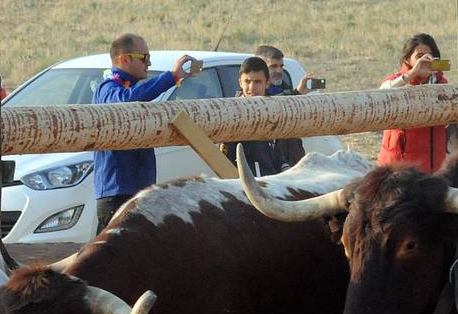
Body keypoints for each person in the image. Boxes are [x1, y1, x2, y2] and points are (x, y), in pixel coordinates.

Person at [92, 34, 198, 230]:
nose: (148, 63)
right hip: (118, 193)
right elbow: (126, 102)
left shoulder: (126, 88)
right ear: (125, 59)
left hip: (136, 190)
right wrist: (172, 76)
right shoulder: (109, 88)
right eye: (144, 58)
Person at [376, 34, 458, 173]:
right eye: (419, 56)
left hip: (434, 167)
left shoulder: (442, 84)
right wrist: (412, 74)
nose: (425, 60)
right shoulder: (396, 81)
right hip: (398, 169)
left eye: (430, 56)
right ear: (407, 60)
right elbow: (380, 97)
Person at [220, 58, 304, 177]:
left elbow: (276, 148)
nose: (252, 87)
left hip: (276, 183)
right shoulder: (232, 114)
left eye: (258, 82)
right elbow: (225, 159)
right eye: (247, 81)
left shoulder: (274, 109)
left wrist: (285, 166)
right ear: (240, 82)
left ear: (267, 82)